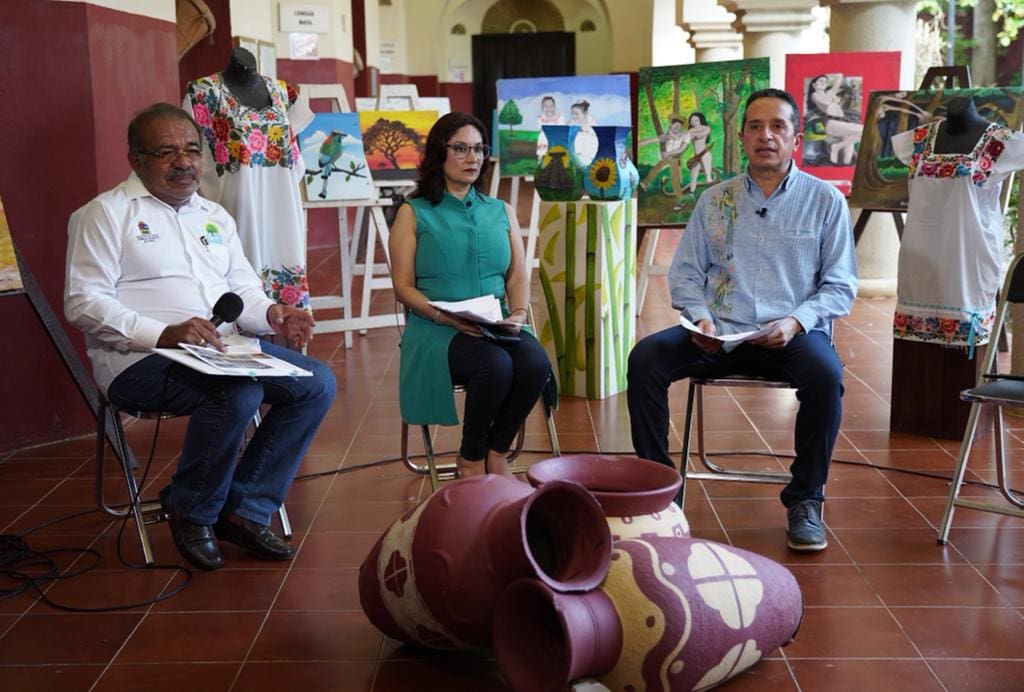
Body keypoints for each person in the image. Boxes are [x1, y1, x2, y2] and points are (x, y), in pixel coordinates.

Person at [64, 103, 336, 570]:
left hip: (223, 352)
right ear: (136, 160)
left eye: (192, 150)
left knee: (317, 383)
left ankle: (244, 509)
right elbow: (83, 302)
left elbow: (243, 291)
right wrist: (163, 334)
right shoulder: (105, 214)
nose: (184, 162)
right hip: (139, 361)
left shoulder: (214, 216)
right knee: (237, 392)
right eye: (166, 152)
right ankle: (191, 510)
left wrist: (273, 314)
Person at [626, 89, 857, 552]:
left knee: (825, 375)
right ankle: (658, 492)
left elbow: (840, 286)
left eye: (777, 127)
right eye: (755, 126)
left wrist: (795, 322)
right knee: (645, 359)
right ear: (741, 137)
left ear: (795, 139)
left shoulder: (825, 201)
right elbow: (685, 273)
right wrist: (700, 318)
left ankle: (805, 499)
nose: (765, 136)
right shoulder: (715, 200)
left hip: (789, 334)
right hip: (719, 333)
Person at [389, 112, 551, 478]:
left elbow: (517, 275)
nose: (472, 157)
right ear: (439, 153)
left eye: (479, 149)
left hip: (495, 323)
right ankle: (471, 457)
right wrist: (444, 317)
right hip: (435, 328)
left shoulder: (500, 211)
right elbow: (403, 287)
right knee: (494, 366)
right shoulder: (413, 213)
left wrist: (519, 313)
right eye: (460, 148)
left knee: (535, 363)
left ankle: (497, 450)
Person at [805, 73, 863, 165]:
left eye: (825, 81)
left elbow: (839, 76)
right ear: (814, 85)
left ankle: (838, 149)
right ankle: (837, 146)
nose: (823, 82)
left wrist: (834, 74)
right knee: (864, 130)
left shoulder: (829, 93)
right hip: (831, 123)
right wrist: (835, 99)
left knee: (847, 158)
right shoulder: (815, 95)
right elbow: (826, 102)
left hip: (842, 123)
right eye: (820, 81)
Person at [639, 114, 690, 196]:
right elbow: (653, 140)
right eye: (675, 125)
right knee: (655, 169)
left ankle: (680, 197)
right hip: (667, 158)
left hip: (674, 158)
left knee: (675, 178)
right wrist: (640, 143)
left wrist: (668, 153)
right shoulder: (667, 136)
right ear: (671, 125)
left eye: (679, 126)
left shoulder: (684, 135)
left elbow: (681, 149)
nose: (676, 128)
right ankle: (644, 185)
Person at [685, 112, 713, 194]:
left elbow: (700, 135)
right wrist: (691, 133)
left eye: (696, 120)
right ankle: (691, 193)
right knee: (693, 175)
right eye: (692, 120)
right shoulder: (690, 130)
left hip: (704, 153)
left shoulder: (706, 128)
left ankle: (711, 192)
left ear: (701, 120)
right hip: (696, 156)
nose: (694, 122)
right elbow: (689, 135)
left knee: (708, 175)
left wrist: (693, 133)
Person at [570, 99, 599, 166]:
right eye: (572, 113)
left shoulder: (592, 123)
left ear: (585, 113)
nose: (574, 116)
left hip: (589, 155)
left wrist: (586, 131)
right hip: (576, 155)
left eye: (576, 114)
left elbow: (595, 140)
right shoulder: (571, 123)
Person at [535, 94, 564, 159]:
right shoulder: (540, 118)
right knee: (542, 136)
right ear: (542, 107)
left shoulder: (559, 117)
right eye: (546, 106)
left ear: (554, 107)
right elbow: (542, 128)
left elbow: (560, 128)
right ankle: (541, 159)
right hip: (545, 137)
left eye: (551, 106)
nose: (549, 109)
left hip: (555, 137)